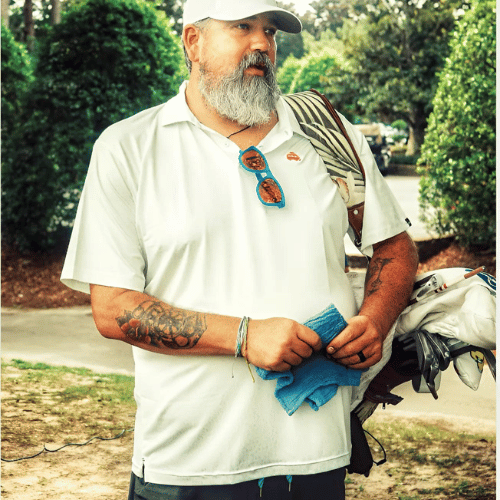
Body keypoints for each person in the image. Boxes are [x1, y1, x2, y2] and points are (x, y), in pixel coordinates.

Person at [61, 0, 419, 498]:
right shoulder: (129, 148)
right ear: (193, 41)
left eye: (271, 31)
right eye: (242, 28)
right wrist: (244, 336)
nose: (262, 45)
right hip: (186, 463)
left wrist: (376, 320)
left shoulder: (327, 136)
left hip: (315, 454)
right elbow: (113, 309)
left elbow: (395, 248)